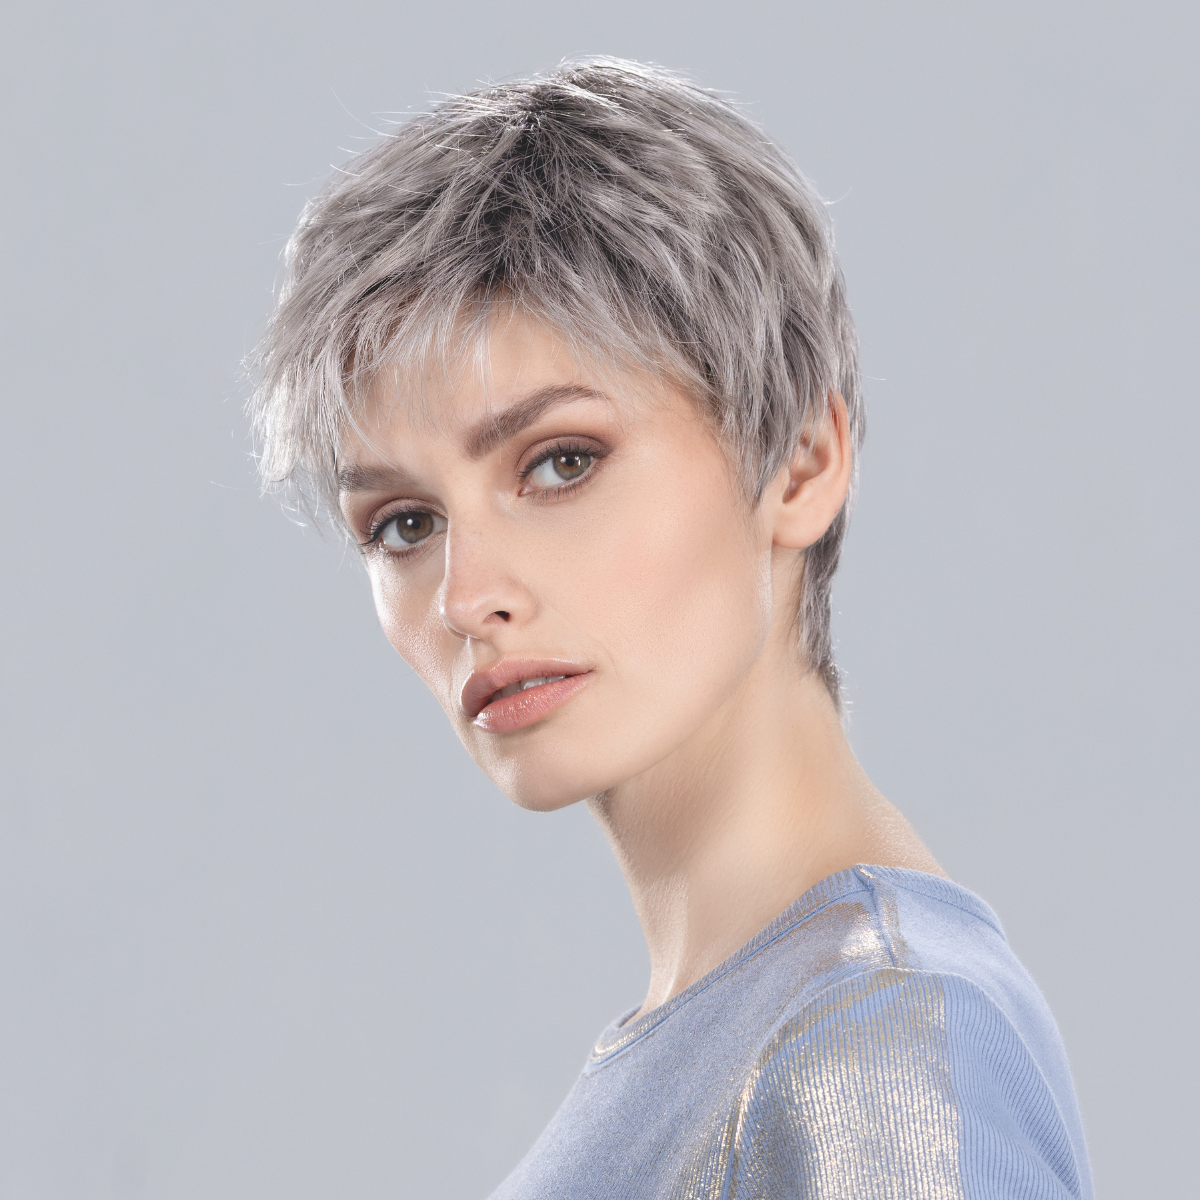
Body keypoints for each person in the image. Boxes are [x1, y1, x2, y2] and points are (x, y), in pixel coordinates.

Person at [251, 58, 1092, 1199]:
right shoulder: (738, 1028)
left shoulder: (878, 1040)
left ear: (802, 461)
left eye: (560, 463)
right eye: (404, 524)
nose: (464, 595)